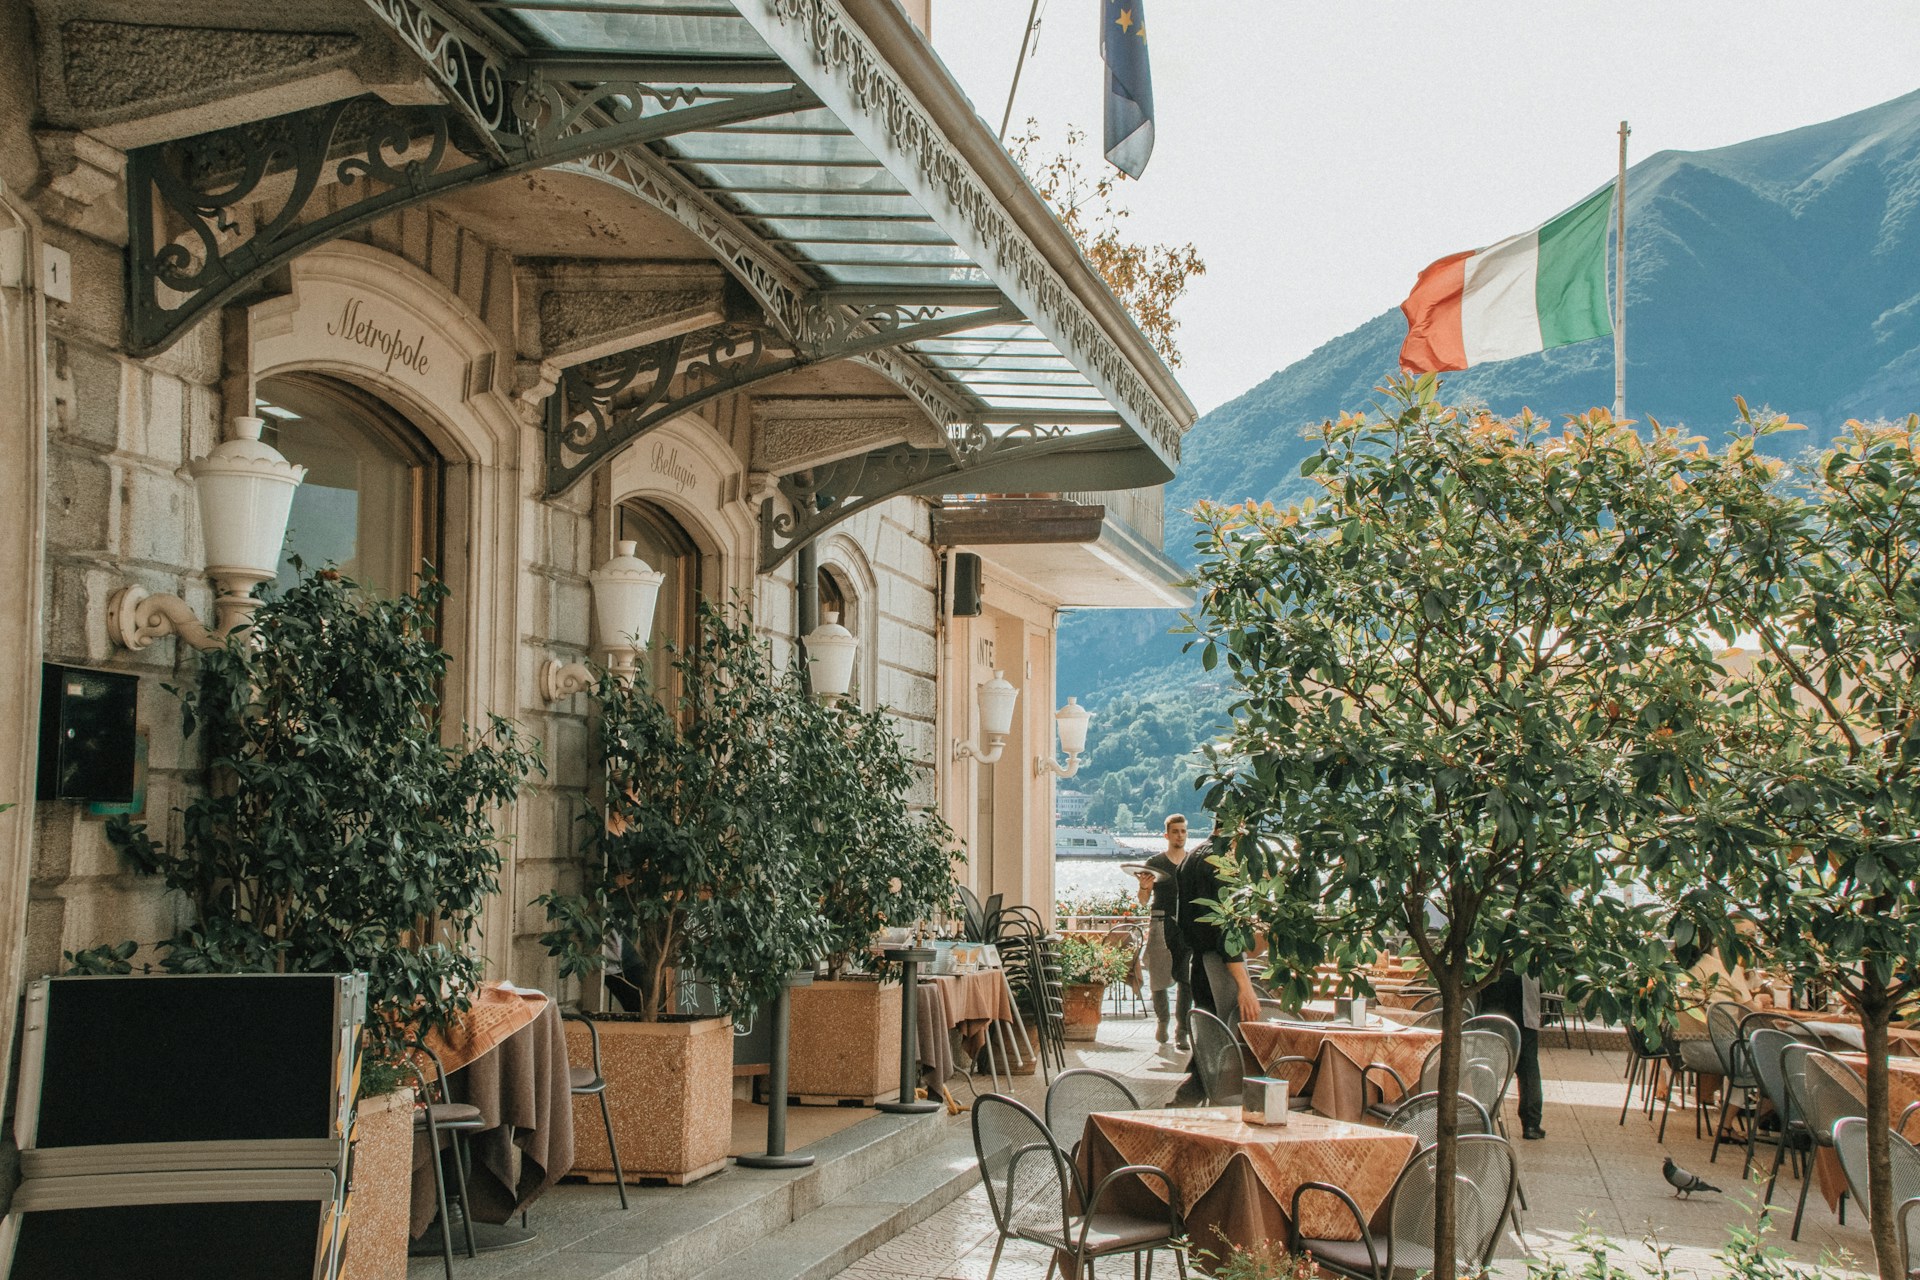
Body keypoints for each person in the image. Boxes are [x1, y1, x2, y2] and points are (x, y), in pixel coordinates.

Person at [1169, 821, 1263, 1104]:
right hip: (1219, 967)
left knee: (1211, 1044)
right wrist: (1244, 985)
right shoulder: (1221, 862)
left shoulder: (1191, 857)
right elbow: (1227, 931)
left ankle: (1182, 1108)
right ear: (1239, 826)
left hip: (1199, 963)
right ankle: (1191, 1108)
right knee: (1227, 1045)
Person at [1134, 814, 1193, 1048]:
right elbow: (1142, 900)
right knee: (1158, 976)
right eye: (1176, 831)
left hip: (1188, 926)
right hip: (1160, 922)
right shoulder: (1155, 862)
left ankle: (1182, 1031)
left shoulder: (1193, 861)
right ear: (1166, 835)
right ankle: (1163, 1020)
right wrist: (1143, 887)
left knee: (1186, 980)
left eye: (1183, 831)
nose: (1180, 835)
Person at [1482, 969, 1544, 1139]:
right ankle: (1531, 1123)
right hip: (1523, 980)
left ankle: (1483, 1115)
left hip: (1493, 978)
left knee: (1488, 1056)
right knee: (1528, 1062)